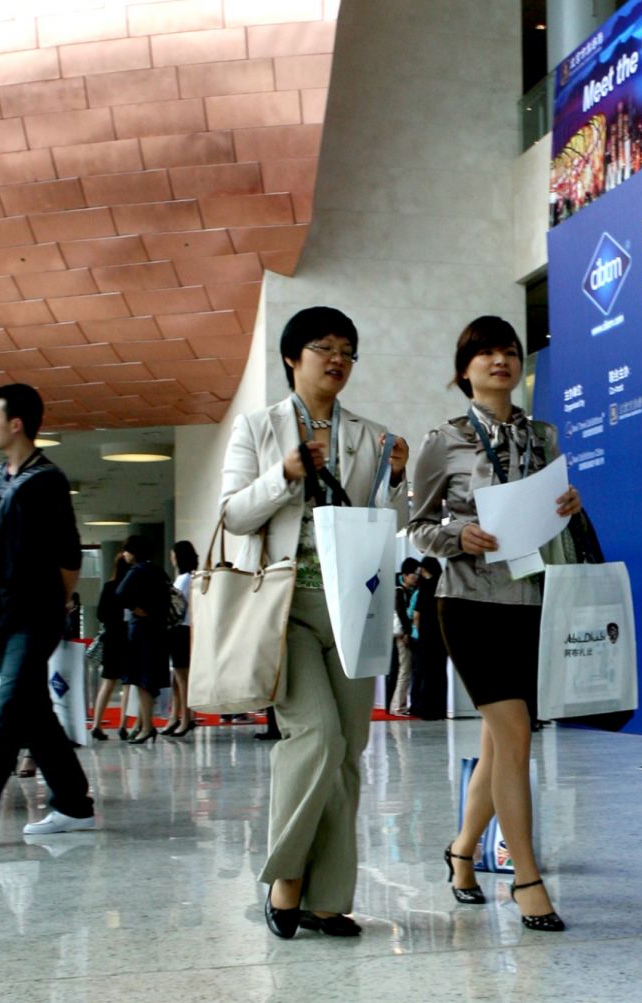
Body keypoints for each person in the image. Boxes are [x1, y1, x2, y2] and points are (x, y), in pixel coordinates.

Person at [220, 305, 408, 940]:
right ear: (291, 357)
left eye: (347, 351)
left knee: (349, 752)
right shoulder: (258, 428)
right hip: (283, 609)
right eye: (324, 347)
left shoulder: (371, 435)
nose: (338, 360)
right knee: (317, 735)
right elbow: (233, 514)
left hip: (354, 605)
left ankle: (329, 897)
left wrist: (396, 478)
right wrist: (285, 474)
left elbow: (391, 522)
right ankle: (287, 876)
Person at [409, 315, 581, 932]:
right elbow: (418, 526)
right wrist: (459, 535)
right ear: (465, 370)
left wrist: (569, 507)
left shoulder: (543, 436)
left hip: (531, 602)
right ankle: (526, 878)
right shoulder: (444, 440)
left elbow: (551, 519)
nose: (500, 361)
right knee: (514, 735)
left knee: (498, 743)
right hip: (469, 602)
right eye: (486, 353)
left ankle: (461, 852)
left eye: (509, 351)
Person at [0, 382, 95, 843]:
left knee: (7, 707)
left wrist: (57, 603)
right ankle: (74, 804)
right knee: (33, 711)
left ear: (17, 424)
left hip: (35, 614)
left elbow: (68, 554)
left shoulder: (47, 481)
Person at [116, 535, 171, 745]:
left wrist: (135, 607)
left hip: (141, 630)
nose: (124, 554)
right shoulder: (157, 570)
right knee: (150, 680)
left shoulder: (137, 571)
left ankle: (147, 727)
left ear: (134, 552)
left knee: (142, 680)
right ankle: (144, 725)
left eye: (127, 550)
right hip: (158, 629)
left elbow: (120, 593)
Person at [89, 554, 131, 740]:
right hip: (129, 639)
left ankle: (97, 724)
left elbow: (100, 614)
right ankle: (123, 725)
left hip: (112, 638)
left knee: (108, 681)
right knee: (128, 683)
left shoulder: (108, 586)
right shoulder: (131, 587)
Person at [165, 539, 198, 738]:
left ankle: (185, 718)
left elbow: (178, 607)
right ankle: (176, 717)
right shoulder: (188, 578)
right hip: (183, 629)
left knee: (181, 677)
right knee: (178, 678)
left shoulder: (185, 579)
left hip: (180, 629)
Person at [409, 557, 447, 719]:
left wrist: (419, 633)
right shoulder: (444, 585)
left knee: (426, 673)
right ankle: (440, 709)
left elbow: (416, 615)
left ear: (424, 569)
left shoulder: (425, 587)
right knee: (440, 673)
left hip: (427, 637)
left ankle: (427, 709)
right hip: (442, 637)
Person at [388, 558, 420, 716]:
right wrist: (407, 632)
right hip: (402, 635)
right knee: (404, 670)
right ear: (405, 575)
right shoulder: (399, 591)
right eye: (414, 574)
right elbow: (401, 613)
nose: (416, 578)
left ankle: (398, 705)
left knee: (405, 670)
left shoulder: (410, 590)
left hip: (405, 633)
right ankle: (398, 706)